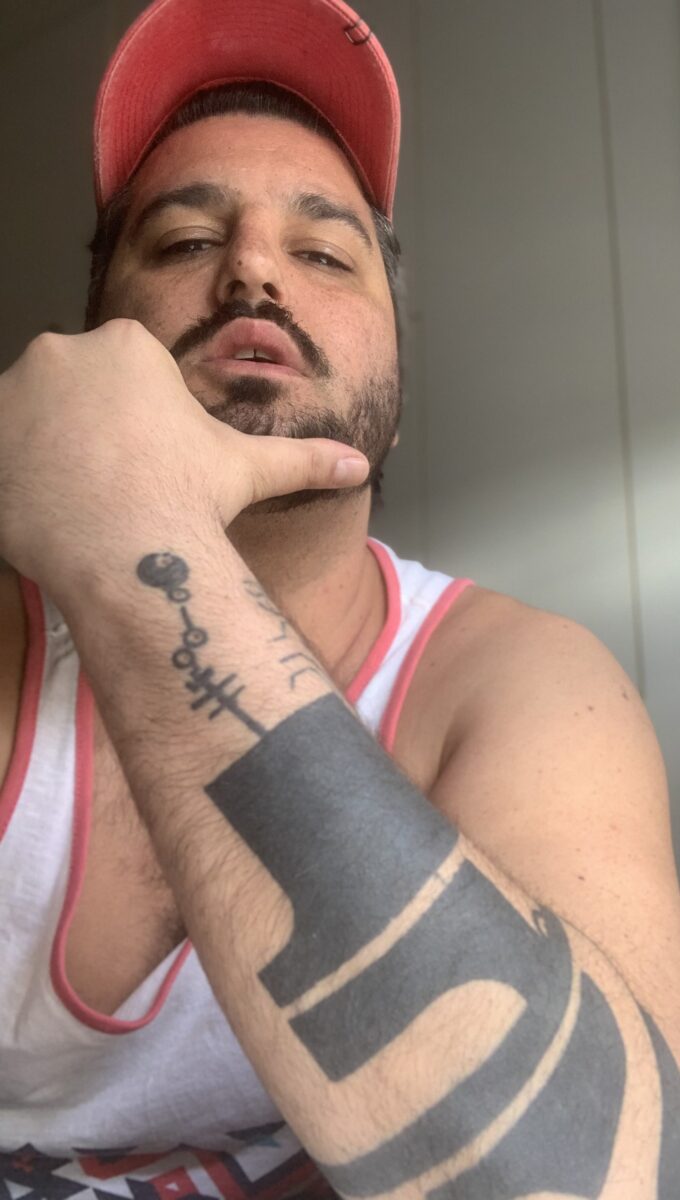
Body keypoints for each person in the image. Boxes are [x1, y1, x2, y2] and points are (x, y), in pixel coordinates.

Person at [0, 0, 678, 1193]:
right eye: (182, 241)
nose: (253, 268)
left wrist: (139, 542)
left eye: (321, 254)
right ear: (95, 344)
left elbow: (596, 1173)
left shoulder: (521, 684)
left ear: (394, 396)